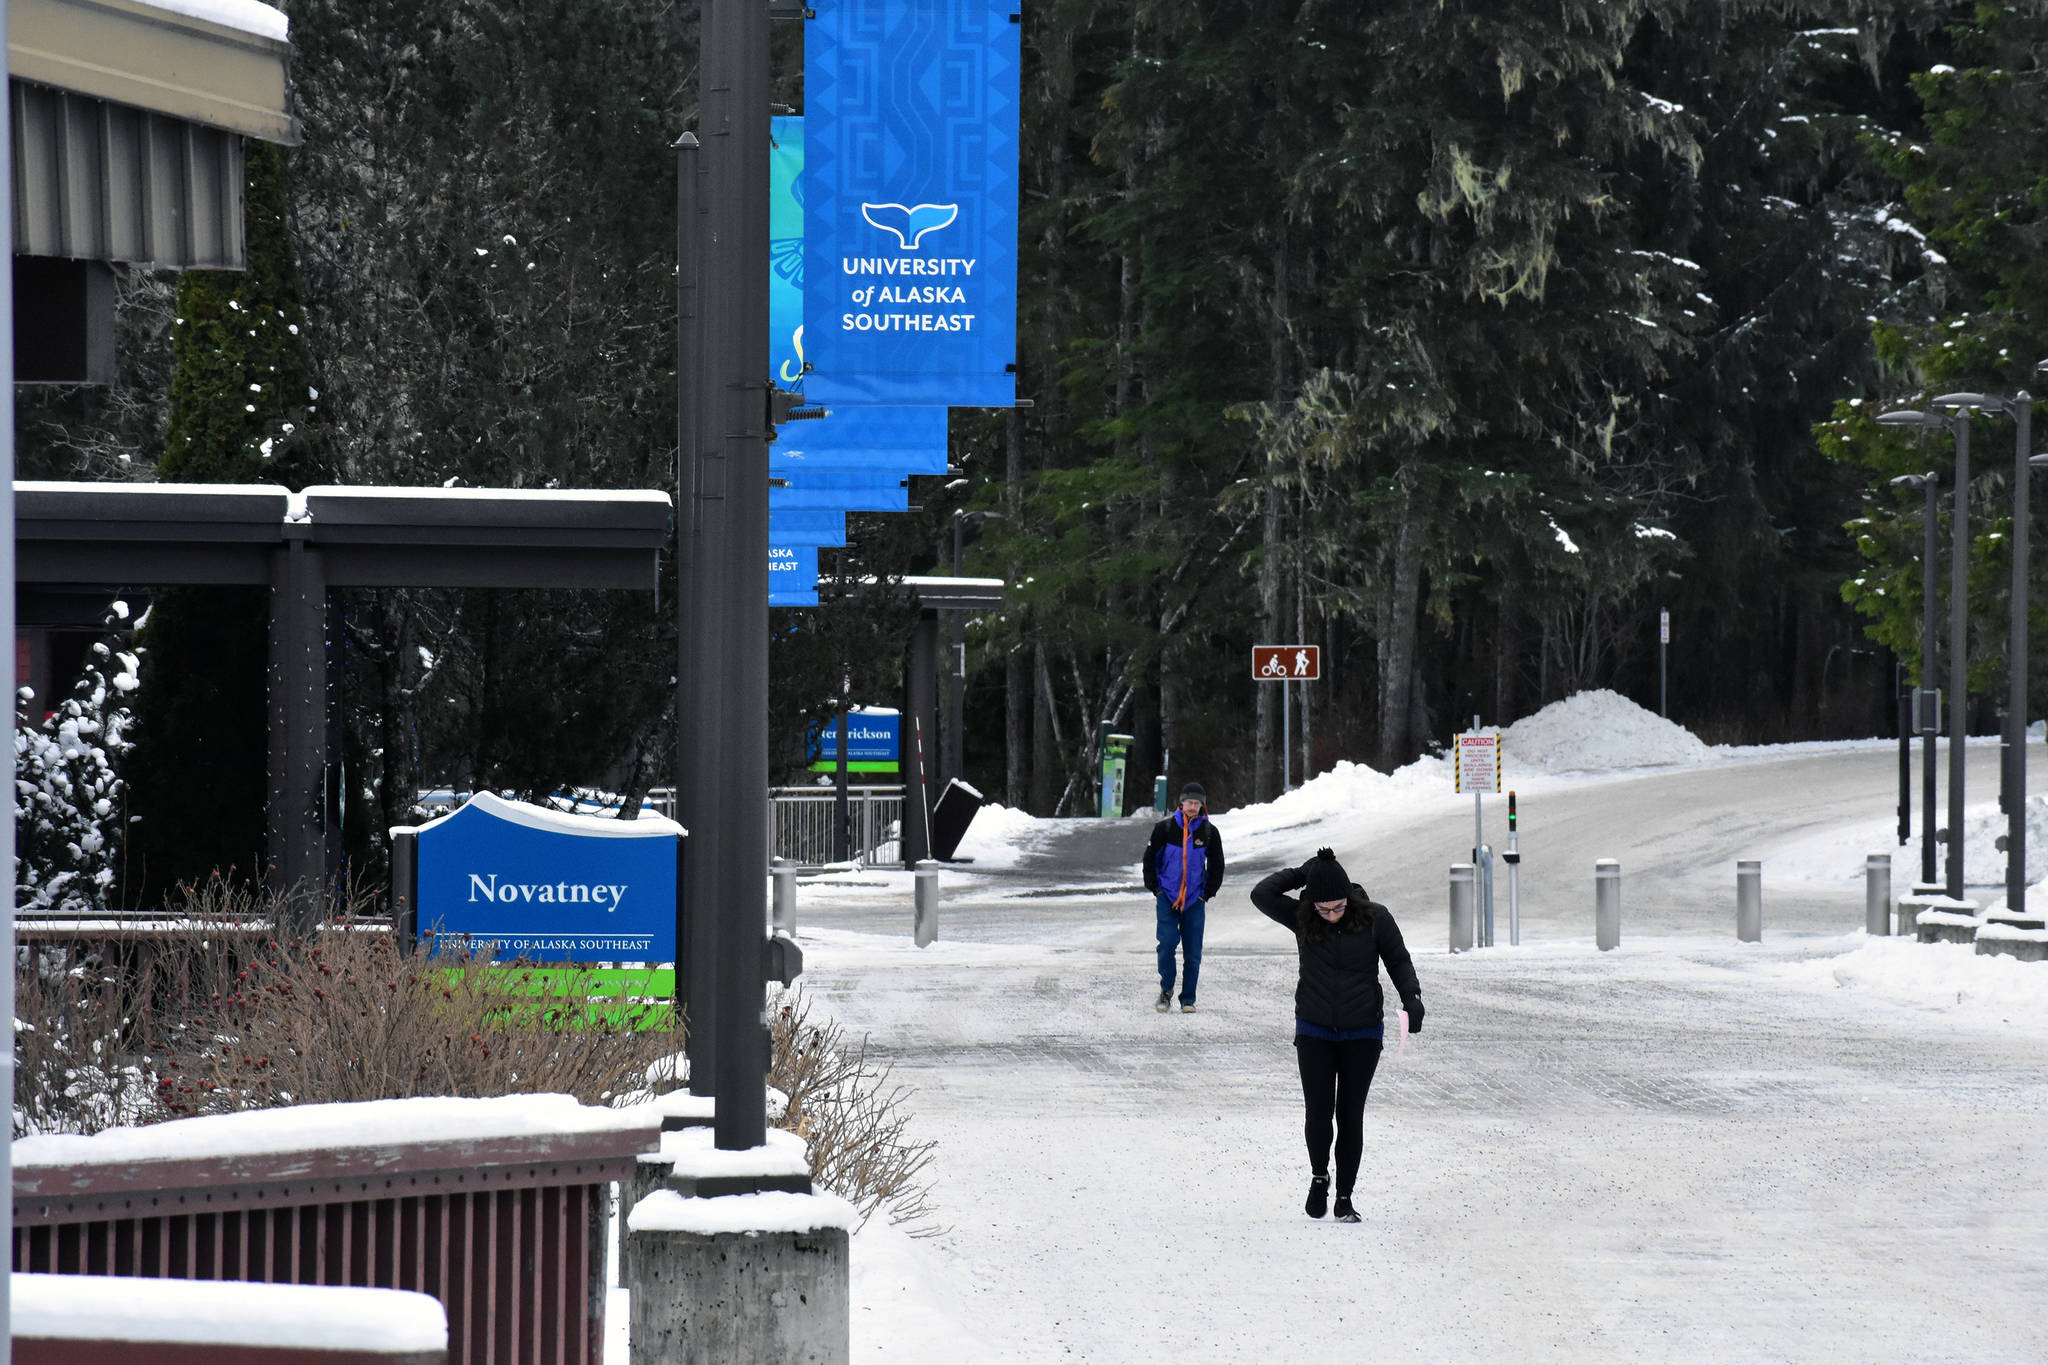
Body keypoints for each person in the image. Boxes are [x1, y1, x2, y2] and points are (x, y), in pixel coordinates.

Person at [1251, 847, 1422, 1223]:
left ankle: (1345, 1196)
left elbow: (1398, 960)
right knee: (1318, 1112)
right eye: (1323, 908)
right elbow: (1261, 894)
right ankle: (1319, 1177)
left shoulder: (1375, 918)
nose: (1330, 916)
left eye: (1337, 907)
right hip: (1314, 1029)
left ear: (1349, 898)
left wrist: (1412, 997)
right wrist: (1303, 872)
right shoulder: (1303, 918)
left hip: (1362, 1031)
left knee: (1349, 1114)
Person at [1141, 781, 1225, 1013]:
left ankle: (1188, 998)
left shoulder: (1209, 832)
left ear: (1202, 805)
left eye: (1197, 803)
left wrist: (1205, 895)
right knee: (1166, 946)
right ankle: (1166, 990)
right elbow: (1150, 859)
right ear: (1181, 802)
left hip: (1194, 901)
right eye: (1189, 802)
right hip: (1167, 897)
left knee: (1193, 953)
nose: (1192, 807)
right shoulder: (1165, 829)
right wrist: (1155, 888)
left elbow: (1217, 865)